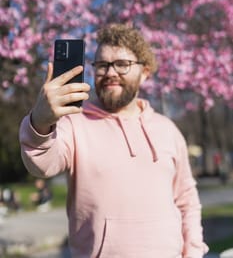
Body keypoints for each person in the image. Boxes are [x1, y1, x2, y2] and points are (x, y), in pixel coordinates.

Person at [19, 24, 208, 258]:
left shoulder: (167, 129)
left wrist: (194, 251)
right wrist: (39, 121)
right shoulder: (73, 124)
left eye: (122, 64)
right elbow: (42, 164)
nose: (110, 72)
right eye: (102, 64)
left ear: (145, 71)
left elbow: (187, 200)